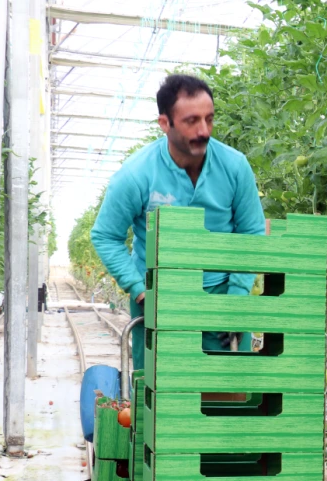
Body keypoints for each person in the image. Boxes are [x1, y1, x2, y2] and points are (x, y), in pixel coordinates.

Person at [91, 73, 266, 370]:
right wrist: (138, 288)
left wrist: (236, 302)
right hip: (160, 299)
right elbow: (106, 235)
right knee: (160, 398)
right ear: (165, 123)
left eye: (209, 119)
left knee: (228, 396)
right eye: (191, 121)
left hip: (222, 297)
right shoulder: (137, 174)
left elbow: (252, 231)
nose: (203, 130)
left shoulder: (234, 167)